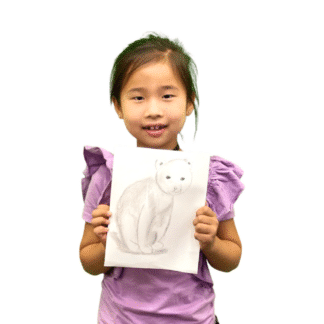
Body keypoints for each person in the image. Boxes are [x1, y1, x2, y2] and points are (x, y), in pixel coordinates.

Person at [79, 33, 244, 324]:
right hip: (121, 318)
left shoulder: (209, 177)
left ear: (189, 103)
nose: (153, 110)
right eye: (138, 97)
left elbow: (232, 257)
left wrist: (212, 243)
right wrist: (108, 243)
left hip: (192, 318)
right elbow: (88, 261)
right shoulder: (108, 176)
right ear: (118, 106)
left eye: (167, 95)